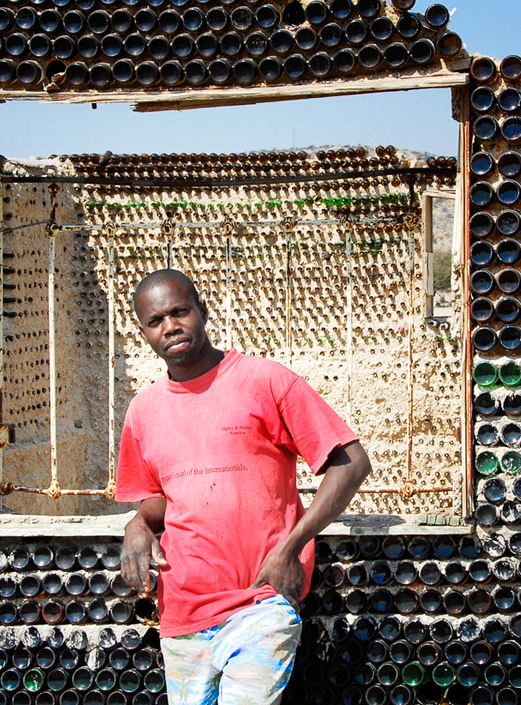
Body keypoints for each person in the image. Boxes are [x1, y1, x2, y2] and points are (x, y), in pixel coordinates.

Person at [115, 268, 371, 705]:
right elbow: (158, 502)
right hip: (182, 614)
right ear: (144, 333)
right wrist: (137, 524)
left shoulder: (265, 380)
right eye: (155, 321)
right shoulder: (143, 411)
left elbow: (351, 463)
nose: (170, 327)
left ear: (203, 311)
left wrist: (291, 547)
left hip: (260, 603)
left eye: (180, 312)